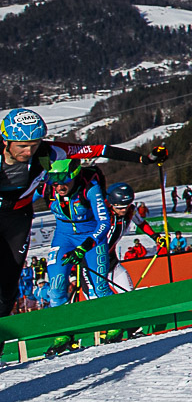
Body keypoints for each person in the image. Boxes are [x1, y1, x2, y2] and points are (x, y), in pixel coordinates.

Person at [0, 107, 162, 316]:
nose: (29, 152)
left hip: (17, 218)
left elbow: (100, 149)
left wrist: (144, 159)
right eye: (22, 146)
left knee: (8, 284)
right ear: (6, 141)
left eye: (34, 145)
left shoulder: (50, 152)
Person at [41, 158, 113, 306]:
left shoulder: (90, 189)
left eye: (64, 181)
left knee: (100, 288)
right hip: (63, 238)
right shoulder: (46, 189)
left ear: (74, 176)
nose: (59, 187)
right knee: (56, 288)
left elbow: (105, 222)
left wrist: (86, 245)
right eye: (55, 182)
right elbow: (21, 200)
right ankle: (62, 327)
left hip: (91, 237)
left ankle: (122, 324)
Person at [102, 182, 152, 292]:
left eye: (126, 206)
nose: (124, 210)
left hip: (111, 262)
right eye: (119, 208)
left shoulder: (131, 211)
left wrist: (156, 237)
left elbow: (141, 224)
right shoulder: (103, 214)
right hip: (95, 264)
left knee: (128, 293)